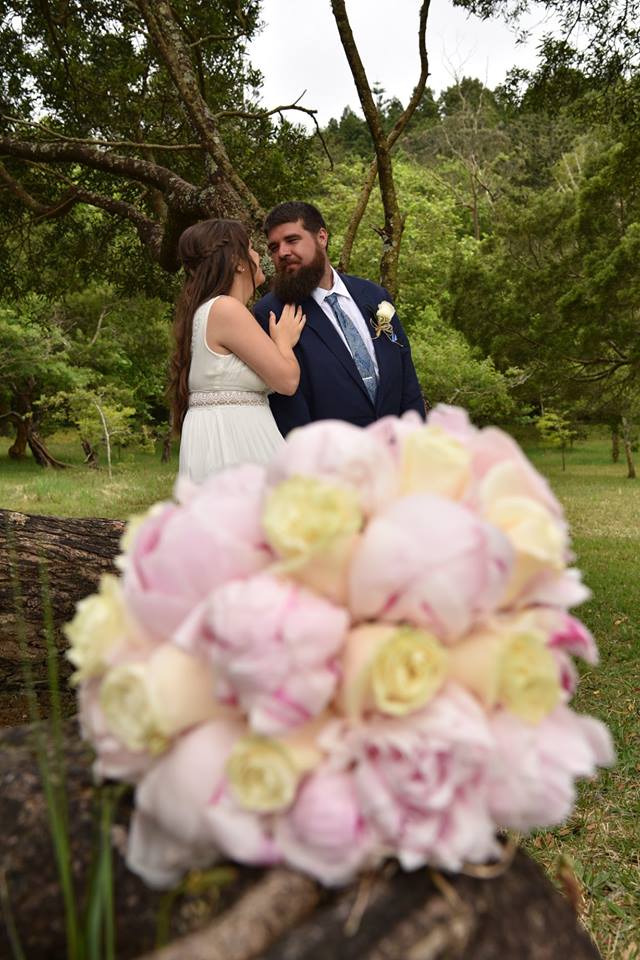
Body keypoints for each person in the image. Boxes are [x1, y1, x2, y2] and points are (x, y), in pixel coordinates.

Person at [253, 201, 425, 436]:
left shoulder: (375, 296)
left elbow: (405, 372)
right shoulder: (272, 313)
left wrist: (416, 439)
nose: (282, 252)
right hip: (333, 461)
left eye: (292, 240)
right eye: (274, 247)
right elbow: (288, 406)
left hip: (398, 452)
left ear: (321, 237)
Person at [170, 218, 305, 482]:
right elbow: (287, 381)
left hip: (227, 433)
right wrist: (284, 343)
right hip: (232, 442)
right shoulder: (226, 309)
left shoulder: (210, 310)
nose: (258, 254)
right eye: (252, 247)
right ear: (238, 261)